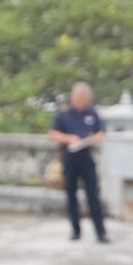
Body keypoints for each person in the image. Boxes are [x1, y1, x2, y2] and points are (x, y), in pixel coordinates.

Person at [47, 82, 108, 243]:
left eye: (83, 98)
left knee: (93, 195)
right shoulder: (64, 114)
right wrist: (68, 139)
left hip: (86, 157)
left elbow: (100, 133)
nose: (80, 101)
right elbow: (53, 133)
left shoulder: (92, 113)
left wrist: (93, 138)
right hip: (69, 158)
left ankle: (100, 232)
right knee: (71, 195)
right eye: (78, 98)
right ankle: (75, 230)